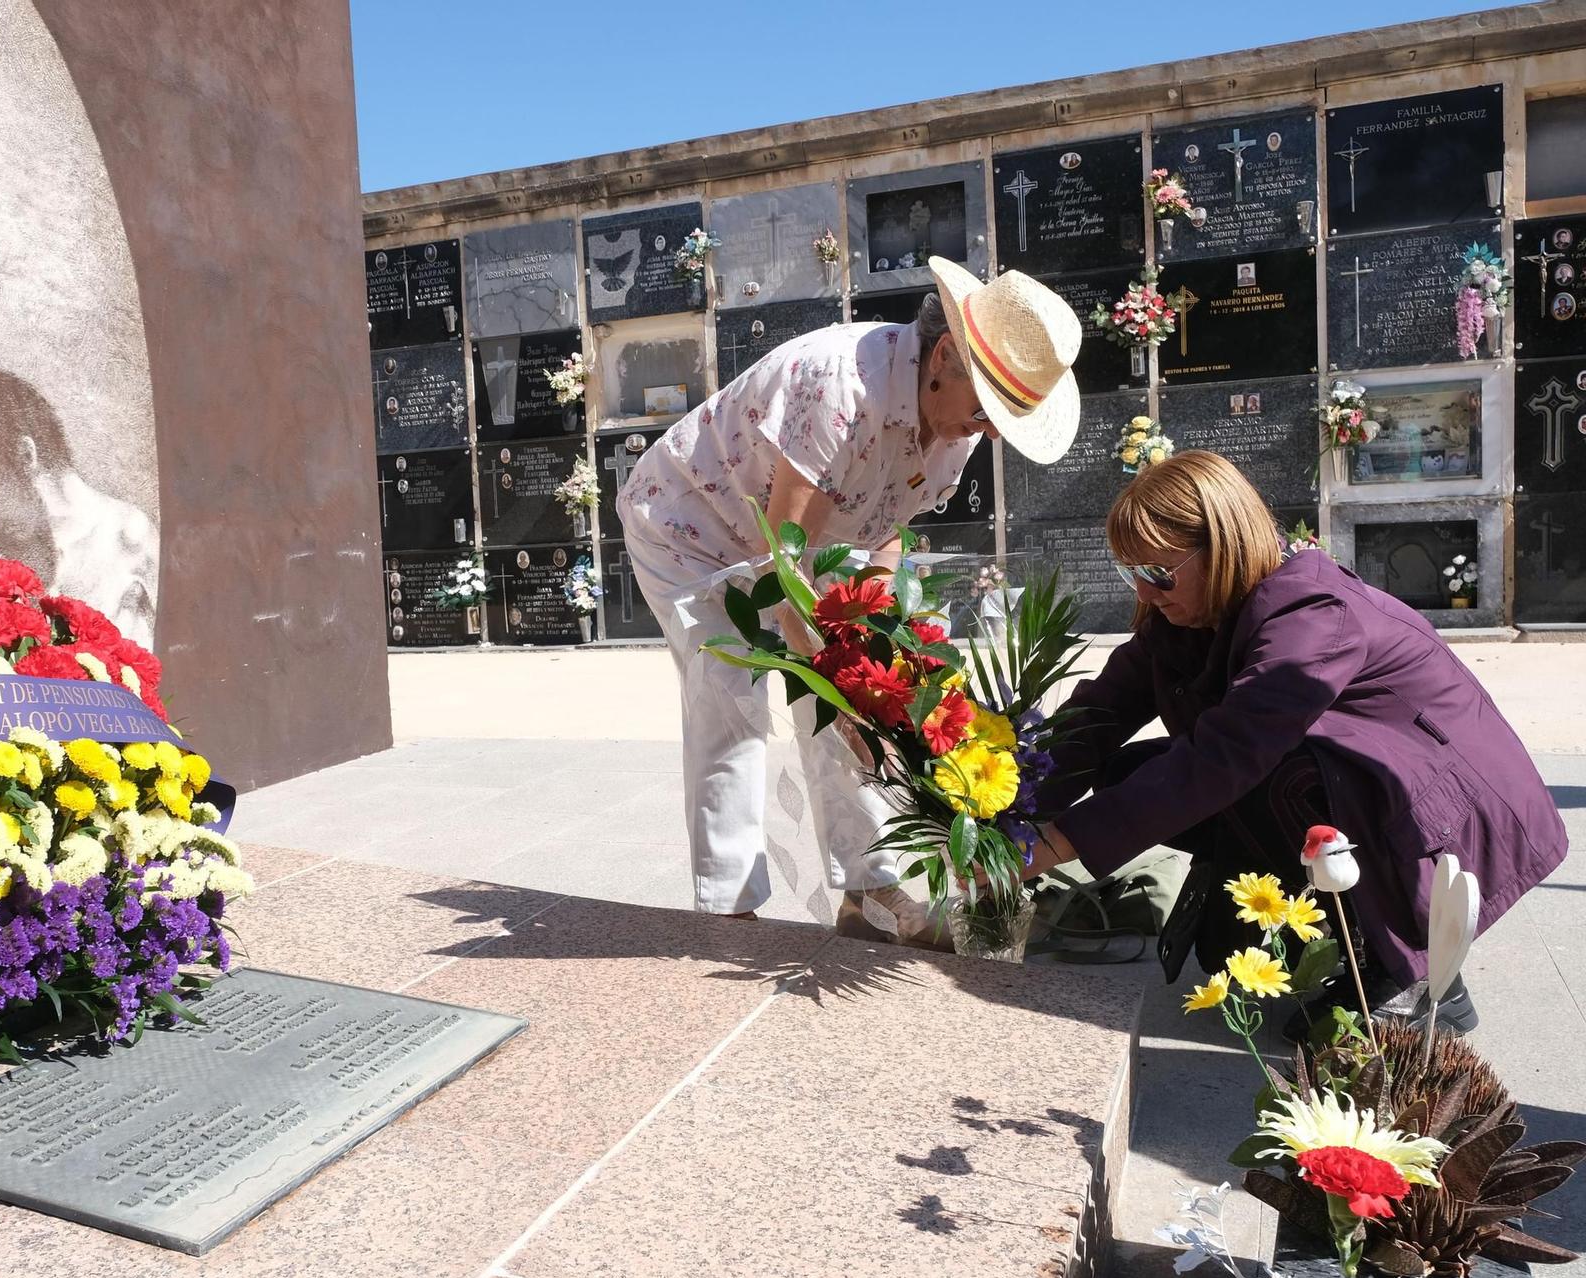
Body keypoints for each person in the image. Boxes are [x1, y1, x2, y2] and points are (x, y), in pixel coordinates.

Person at [616, 256, 1082, 927]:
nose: (983, 431)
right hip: (694, 526)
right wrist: (834, 678)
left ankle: (868, 892)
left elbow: (886, 531)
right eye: (984, 411)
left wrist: (876, 661)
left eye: (996, 423)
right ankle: (728, 912)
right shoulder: (841, 386)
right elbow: (782, 558)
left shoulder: (957, 425)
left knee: (857, 693)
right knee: (730, 698)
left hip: (812, 538)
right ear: (944, 354)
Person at [1028, 452, 1566, 1032]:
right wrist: (1011, 811)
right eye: (1130, 572)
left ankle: (1413, 969)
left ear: (1225, 545)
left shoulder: (1309, 611)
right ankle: (1314, 925)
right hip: (1369, 790)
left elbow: (1228, 752)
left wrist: (1057, 843)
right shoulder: (1185, 616)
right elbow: (1099, 714)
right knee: (1131, 770)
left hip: (1445, 808)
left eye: (1159, 573)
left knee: (1285, 777)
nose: (1144, 590)